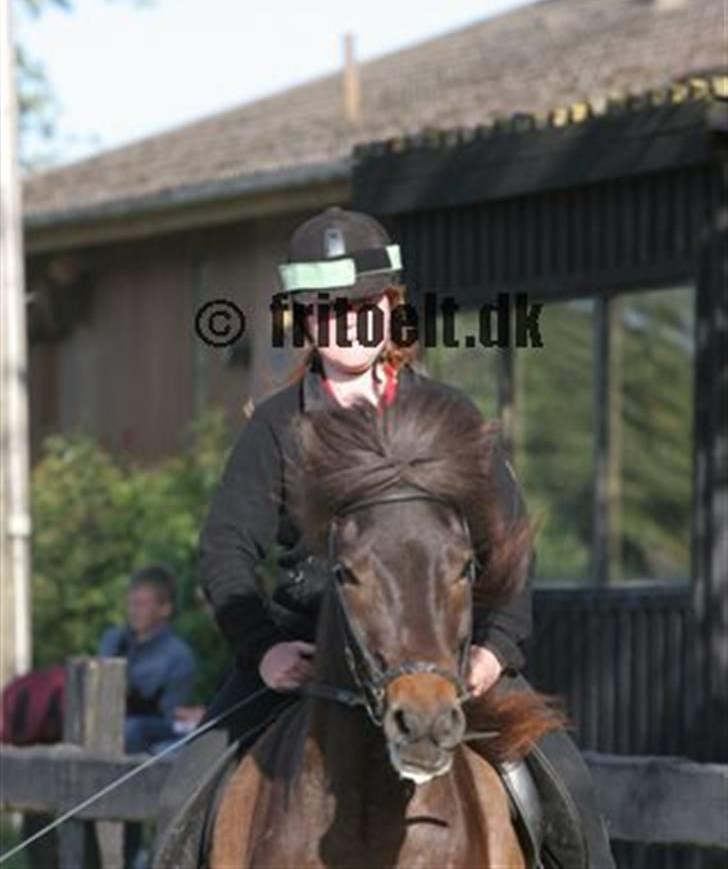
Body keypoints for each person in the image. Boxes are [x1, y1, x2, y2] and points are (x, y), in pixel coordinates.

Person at [153, 206, 615, 869]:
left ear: (390, 307)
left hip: (444, 656)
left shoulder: (447, 416)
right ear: (303, 318)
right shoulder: (278, 427)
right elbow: (226, 550)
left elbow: (509, 543)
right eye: (326, 309)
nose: (346, 322)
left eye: (363, 305)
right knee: (180, 802)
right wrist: (262, 649)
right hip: (308, 657)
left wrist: (496, 648)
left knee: (570, 793)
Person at [99, 565, 197, 754]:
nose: (133, 611)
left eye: (141, 604)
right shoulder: (113, 641)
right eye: (131, 604)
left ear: (165, 609)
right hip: (107, 724)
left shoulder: (178, 656)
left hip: (146, 735)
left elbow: (171, 718)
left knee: (133, 730)